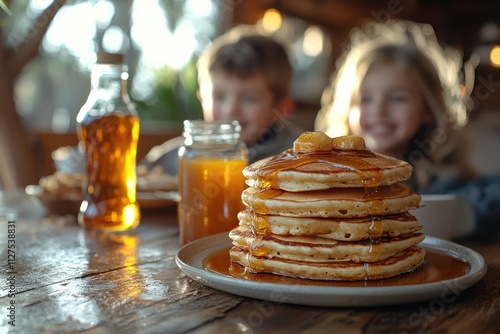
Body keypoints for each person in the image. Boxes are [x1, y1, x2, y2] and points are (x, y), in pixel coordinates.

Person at [315, 19, 500, 236]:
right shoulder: (330, 177)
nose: (379, 111)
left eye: (397, 98)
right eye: (364, 100)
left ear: (428, 109)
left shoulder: (442, 181)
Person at [141, 25, 302, 175]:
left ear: (282, 109)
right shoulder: (174, 158)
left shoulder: (299, 159)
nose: (230, 109)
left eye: (249, 98)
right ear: (202, 98)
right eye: (218, 96)